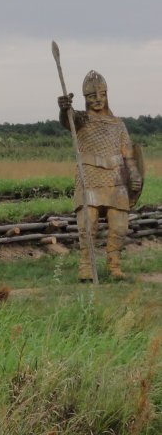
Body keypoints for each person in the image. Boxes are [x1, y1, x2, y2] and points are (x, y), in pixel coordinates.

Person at [57, 70, 143, 280]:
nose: (97, 100)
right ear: (85, 99)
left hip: (115, 179)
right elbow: (68, 121)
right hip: (90, 177)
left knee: (120, 226)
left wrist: (134, 175)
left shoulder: (118, 124)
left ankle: (114, 267)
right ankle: (86, 266)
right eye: (91, 97)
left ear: (107, 95)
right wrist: (64, 108)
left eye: (101, 95)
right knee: (88, 224)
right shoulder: (82, 119)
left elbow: (128, 154)